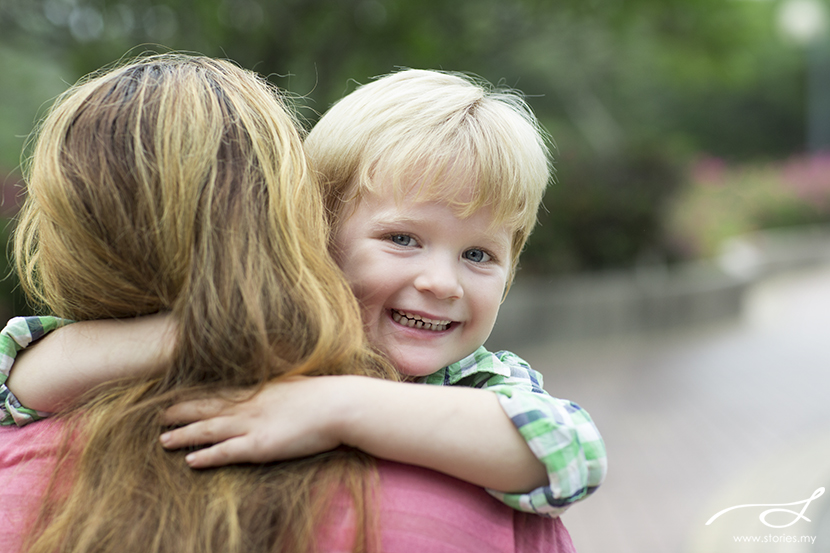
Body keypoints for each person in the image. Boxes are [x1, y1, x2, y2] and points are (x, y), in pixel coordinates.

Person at [0, 54, 576, 553]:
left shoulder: (477, 380)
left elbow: (568, 452)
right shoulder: (279, 341)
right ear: (314, 230)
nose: (443, 282)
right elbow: (14, 374)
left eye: (480, 256)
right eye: (402, 239)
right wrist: (208, 329)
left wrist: (336, 406)